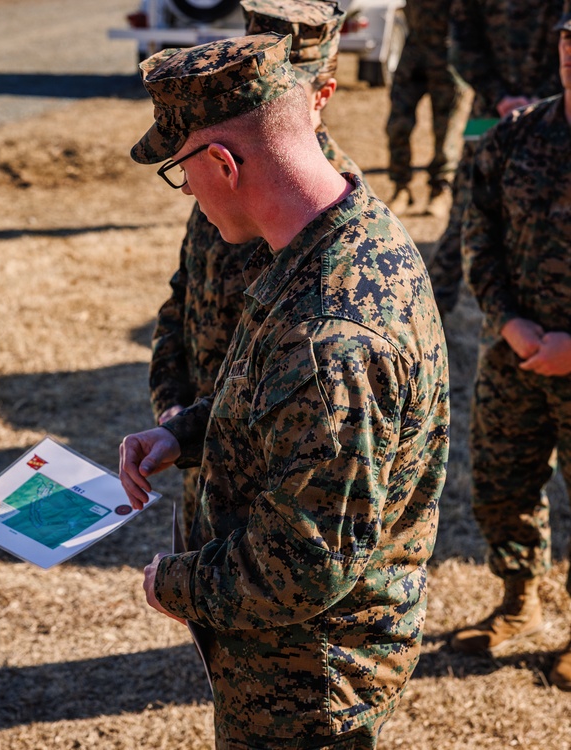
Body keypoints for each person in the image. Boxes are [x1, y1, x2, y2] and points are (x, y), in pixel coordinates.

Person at [120, 33, 450, 748]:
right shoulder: (341, 233)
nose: (191, 197)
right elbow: (275, 402)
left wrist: (170, 583)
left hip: (308, 683)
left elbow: (303, 567)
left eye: (183, 174)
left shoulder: (330, 334)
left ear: (222, 162)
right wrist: (185, 431)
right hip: (294, 660)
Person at [149, 0, 370, 543]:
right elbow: (183, 295)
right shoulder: (228, 179)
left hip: (270, 470)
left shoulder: (320, 216)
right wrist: (174, 410)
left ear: (319, 95)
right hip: (207, 439)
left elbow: (311, 553)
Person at [449, 14, 571, 692]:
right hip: (515, 355)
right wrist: (511, 324)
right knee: (500, 483)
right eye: (568, 42)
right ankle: (518, 601)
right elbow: (478, 237)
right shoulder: (516, 138)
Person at [425, 0, 563, 314]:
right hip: (490, 117)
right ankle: (430, 316)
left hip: (555, 117)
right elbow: (461, 43)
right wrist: (502, 98)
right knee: (465, 215)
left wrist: (544, 98)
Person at [384, 0, 466, 218]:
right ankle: (401, 188)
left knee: (446, 129)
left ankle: (440, 190)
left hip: (448, 54)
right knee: (397, 125)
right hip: (414, 52)